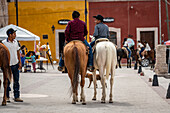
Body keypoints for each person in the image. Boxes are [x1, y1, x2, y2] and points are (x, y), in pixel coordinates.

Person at [2, 28, 23, 102]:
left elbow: (18, 52)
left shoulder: (16, 42)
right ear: (10, 35)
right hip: (7, 65)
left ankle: (16, 96)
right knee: (7, 81)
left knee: (16, 81)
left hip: (15, 64)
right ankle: (7, 96)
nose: (15, 35)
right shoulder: (4, 43)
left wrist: (20, 62)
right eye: (14, 33)